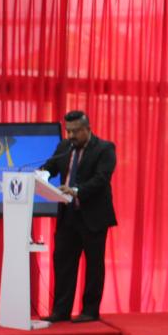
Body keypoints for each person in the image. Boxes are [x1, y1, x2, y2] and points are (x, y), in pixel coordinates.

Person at [42, 110, 116, 322]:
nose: (71, 136)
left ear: (87, 129)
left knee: (94, 266)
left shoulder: (105, 148)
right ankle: (61, 311)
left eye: (75, 131)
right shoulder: (64, 147)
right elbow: (50, 167)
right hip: (68, 216)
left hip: (93, 217)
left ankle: (90, 311)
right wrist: (39, 175)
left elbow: (101, 179)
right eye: (68, 131)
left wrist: (76, 191)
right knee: (63, 263)